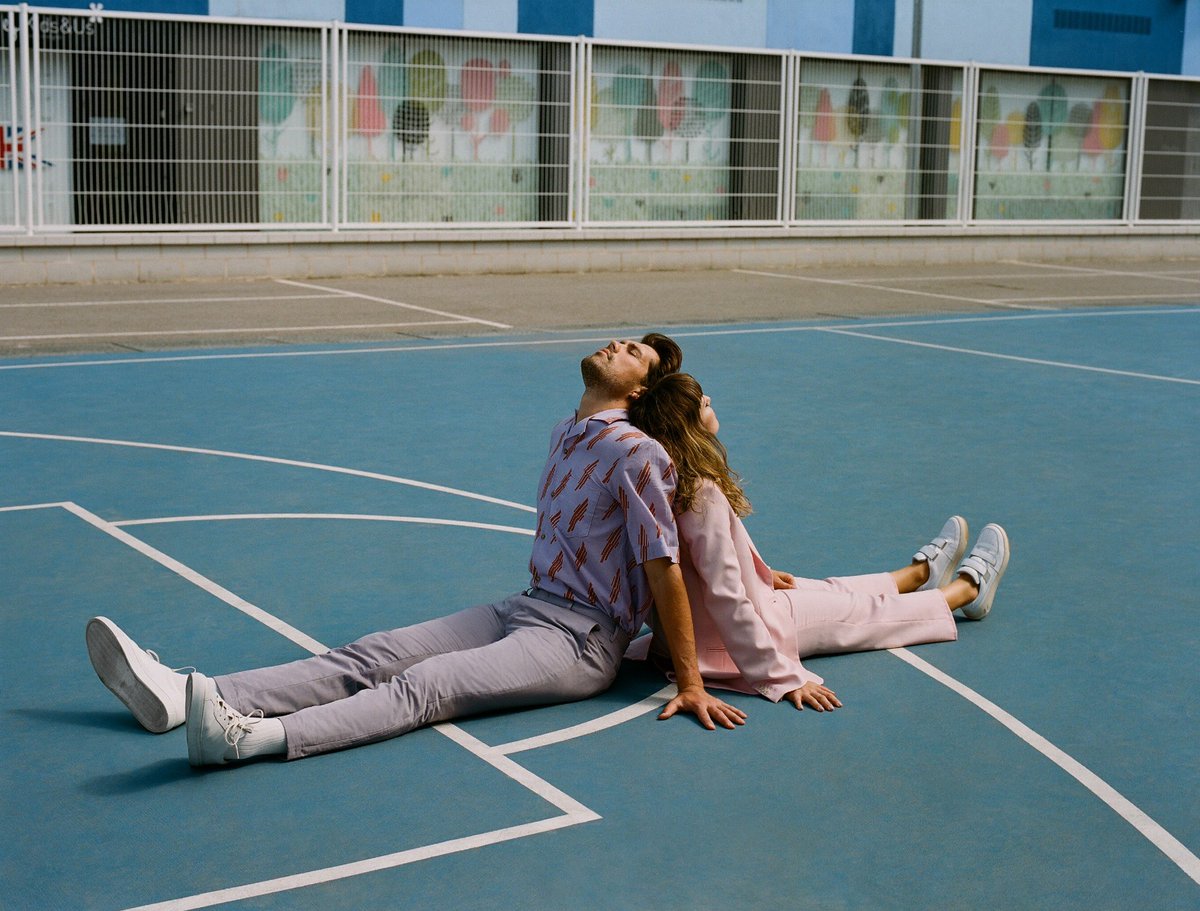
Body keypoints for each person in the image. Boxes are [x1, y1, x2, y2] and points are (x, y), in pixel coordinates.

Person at [86, 335, 746, 768]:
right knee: (369, 653)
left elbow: (665, 568)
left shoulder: (639, 452)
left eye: (631, 350)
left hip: (580, 642)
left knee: (424, 685)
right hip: (528, 606)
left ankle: (248, 738)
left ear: (636, 392)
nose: (616, 342)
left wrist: (689, 679)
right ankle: (182, 695)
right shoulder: (568, 432)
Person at [626, 372, 1010, 712]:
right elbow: (726, 596)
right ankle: (965, 592)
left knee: (830, 589)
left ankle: (916, 575)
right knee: (860, 614)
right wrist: (781, 677)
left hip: (728, 619)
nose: (708, 399)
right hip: (740, 638)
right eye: (700, 401)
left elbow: (696, 570)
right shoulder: (702, 494)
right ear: (688, 427)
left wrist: (757, 573)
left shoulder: (661, 487)